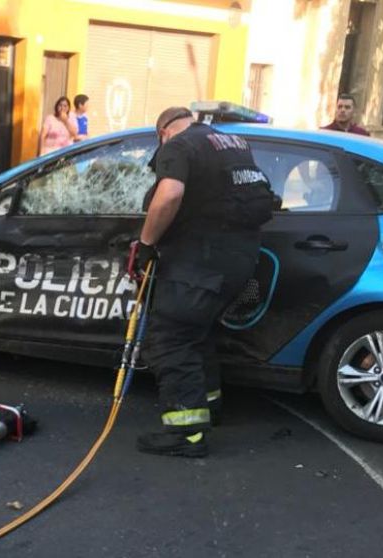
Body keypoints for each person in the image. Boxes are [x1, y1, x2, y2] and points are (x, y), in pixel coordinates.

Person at [132, 107, 275, 458]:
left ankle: (187, 433)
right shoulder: (233, 142)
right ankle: (209, 407)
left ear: (163, 132)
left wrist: (147, 244)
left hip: (200, 262)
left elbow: (169, 195)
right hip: (240, 259)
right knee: (197, 332)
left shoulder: (179, 146)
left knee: (171, 338)